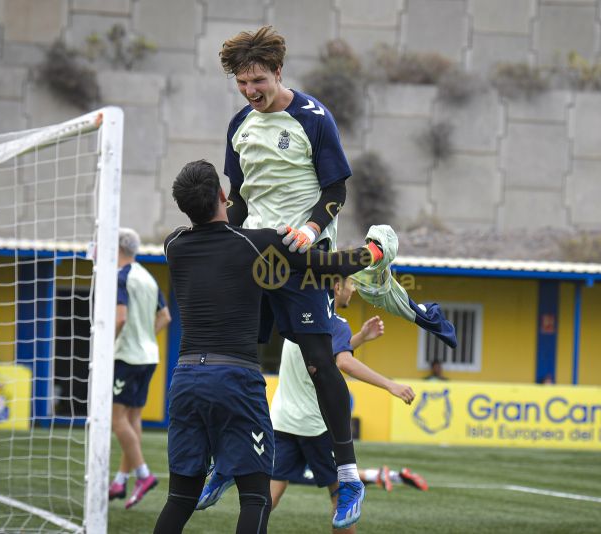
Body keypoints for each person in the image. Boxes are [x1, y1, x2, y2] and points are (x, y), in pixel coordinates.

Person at [153, 159, 385, 534]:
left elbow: (222, 223)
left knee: (179, 497)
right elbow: (327, 266)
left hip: (185, 379)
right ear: (223, 196)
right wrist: (375, 252)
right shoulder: (258, 243)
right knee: (256, 496)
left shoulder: (174, 245)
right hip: (235, 379)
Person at [219, 25, 366, 528]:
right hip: (254, 256)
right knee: (231, 362)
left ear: (278, 72)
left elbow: (336, 189)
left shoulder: (313, 117)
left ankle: (348, 477)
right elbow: (237, 201)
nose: (250, 91)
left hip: (304, 259)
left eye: (257, 80)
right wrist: (220, 240)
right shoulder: (240, 124)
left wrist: (311, 226)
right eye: (242, 83)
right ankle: (231, 461)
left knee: (322, 363)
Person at [197, 277, 421, 533]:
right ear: (337, 288)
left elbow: (323, 354)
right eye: (351, 284)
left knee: (266, 497)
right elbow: (343, 362)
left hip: (283, 421)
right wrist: (390, 385)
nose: (354, 290)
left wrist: (359, 338)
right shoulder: (335, 324)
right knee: (342, 499)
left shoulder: (297, 316)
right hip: (317, 428)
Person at [108, 228, 171, 509]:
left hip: (127, 356)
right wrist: (145, 335)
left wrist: (104, 347)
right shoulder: (146, 276)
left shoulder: (121, 276)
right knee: (132, 419)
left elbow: (120, 319)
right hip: (149, 355)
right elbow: (165, 316)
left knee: (116, 419)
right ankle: (121, 479)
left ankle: (143, 475)